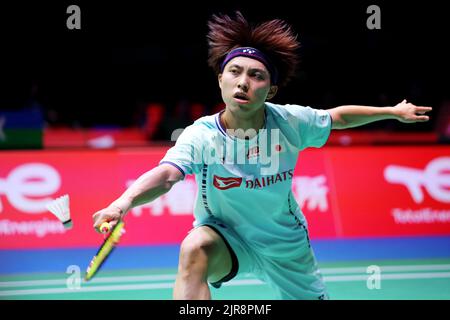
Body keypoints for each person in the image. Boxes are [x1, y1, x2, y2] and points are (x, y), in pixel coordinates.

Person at [92, 11, 432, 299]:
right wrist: (122, 203)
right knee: (193, 247)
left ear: (270, 90)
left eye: (256, 76)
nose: (243, 82)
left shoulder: (290, 121)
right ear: (220, 79)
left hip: (284, 243)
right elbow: (167, 175)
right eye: (235, 72)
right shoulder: (202, 134)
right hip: (226, 236)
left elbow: (338, 117)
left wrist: (391, 111)